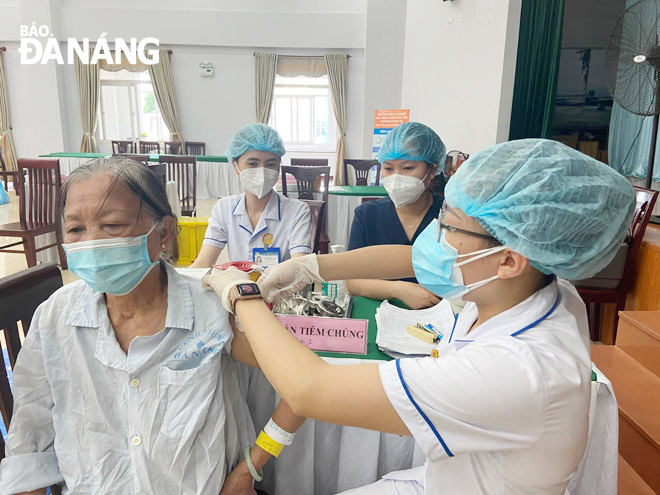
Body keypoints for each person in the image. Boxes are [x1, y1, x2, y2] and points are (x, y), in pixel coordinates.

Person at [203, 139, 635, 495]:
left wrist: (242, 295)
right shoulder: (538, 289)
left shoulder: (516, 370)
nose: (436, 236)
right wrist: (311, 267)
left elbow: (310, 389)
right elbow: (409, 256)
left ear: (508, 260)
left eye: (449, 225)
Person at [0, 157, 303, 495]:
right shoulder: (55, 318)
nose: (92, 243)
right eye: (75, 229)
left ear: (164, 232)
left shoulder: (211, 311)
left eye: (112, 225)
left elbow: (302, 383)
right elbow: (29, 439)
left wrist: (250, 469)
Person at [347, 122, 446, 309]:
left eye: (408, 168)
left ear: (432, 170)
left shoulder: (449, 216)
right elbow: (353, 281)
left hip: (435, 316)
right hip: (377, 312)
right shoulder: (367, 214)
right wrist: (398, 289)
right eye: (388, 168)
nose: (396, 176)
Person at [190, 123, 312, 268]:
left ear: (279, 166)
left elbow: (299, 266)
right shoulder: (224, 208)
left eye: (271, 164)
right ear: (235, 165)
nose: (262, 171)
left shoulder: (297, 211)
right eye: (253, 164)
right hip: (238, 288)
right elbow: (204, 262)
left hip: (281, 289)